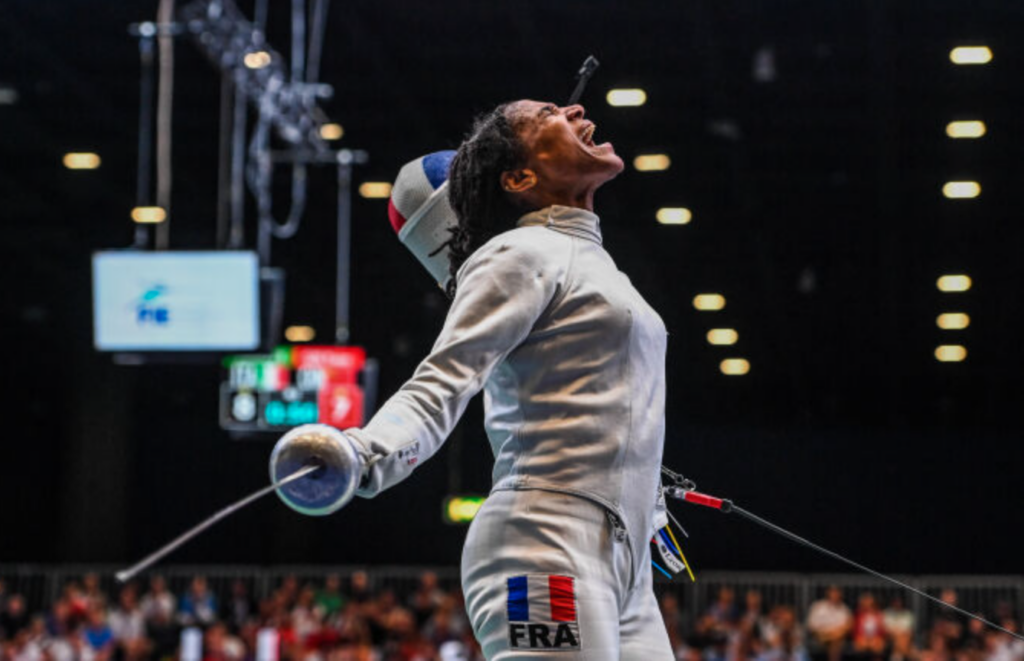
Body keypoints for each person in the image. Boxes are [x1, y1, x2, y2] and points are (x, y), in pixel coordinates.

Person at [344, 100, 672, 659]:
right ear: (520, 177)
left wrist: (649, 500)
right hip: (543, 543)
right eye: (548, 113)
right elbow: (443, 380)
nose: (575, 107)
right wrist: (362, 453)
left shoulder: (588, 259)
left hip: (623, 559)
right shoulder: (519, 253)